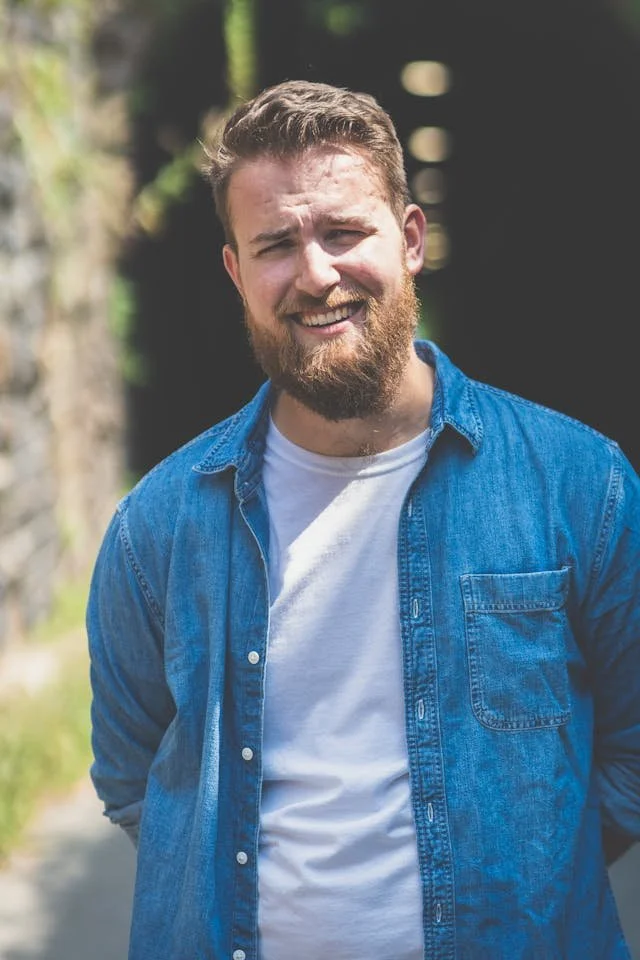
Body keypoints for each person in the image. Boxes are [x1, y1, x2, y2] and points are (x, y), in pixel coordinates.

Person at [87, 79, 640, 960]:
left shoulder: (578, 484)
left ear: (410, 238)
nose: (315, 274)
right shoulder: (156, 528)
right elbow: (133, 782)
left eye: (344, 232)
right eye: (275, 245)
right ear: (236, 271)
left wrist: (526, 880)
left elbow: (630, 754)